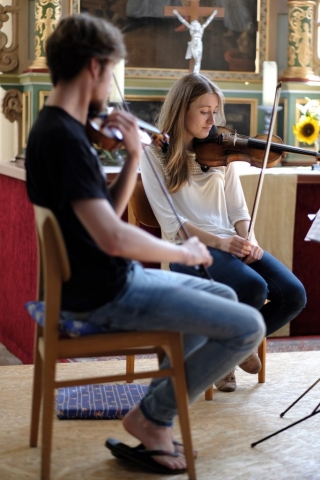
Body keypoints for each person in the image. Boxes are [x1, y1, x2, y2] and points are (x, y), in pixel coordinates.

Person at [25, 14, 265, 475]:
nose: (110, 85)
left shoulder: (59, 129)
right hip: (104, 295)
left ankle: (156, 410)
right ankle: (154, 418)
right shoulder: (64, 140)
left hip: (105, 281)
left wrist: (134, 155)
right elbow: (113, 236)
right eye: (112, 71)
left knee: (222, 294)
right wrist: (185, 252)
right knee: (246, 326)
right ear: (95, 68)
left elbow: (106, 217)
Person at [140, 73, 307, 393]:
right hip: (188, 250)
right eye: (204, 111)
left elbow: (238, 210)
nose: (212, 119)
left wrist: (250, 241)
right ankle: (228, 354)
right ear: (181, 110)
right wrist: (222, 242)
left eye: (215, 111)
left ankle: (227, 353)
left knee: (293, 294)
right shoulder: (155, 155)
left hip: (228, 243)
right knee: (253, 288)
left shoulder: (221, 151)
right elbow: (172, 224)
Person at [173, 8, 217, 74]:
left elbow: (208, 21)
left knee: (198, 61)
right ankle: (195, 73)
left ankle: (196, 73)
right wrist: (176, 14)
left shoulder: (201, 28)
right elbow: (183, 21)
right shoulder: (191, 28)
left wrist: (213, 14)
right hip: (193, 44)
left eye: (197, 25)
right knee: (196, 59)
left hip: (199, 44)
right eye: (195, 25)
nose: (196, 26)